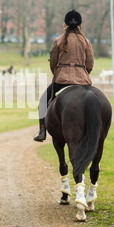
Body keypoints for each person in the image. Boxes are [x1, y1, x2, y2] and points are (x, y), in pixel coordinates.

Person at [33, 10, 94, 142]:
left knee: (43, 101)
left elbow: (53, 63)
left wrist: (59, 73)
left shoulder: (59, 40)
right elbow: (89, 64)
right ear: (80, 25)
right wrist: (82, 74)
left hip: (62, 79)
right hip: (82, 80)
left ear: (64, 24)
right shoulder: (86, 42)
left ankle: (42, 131)